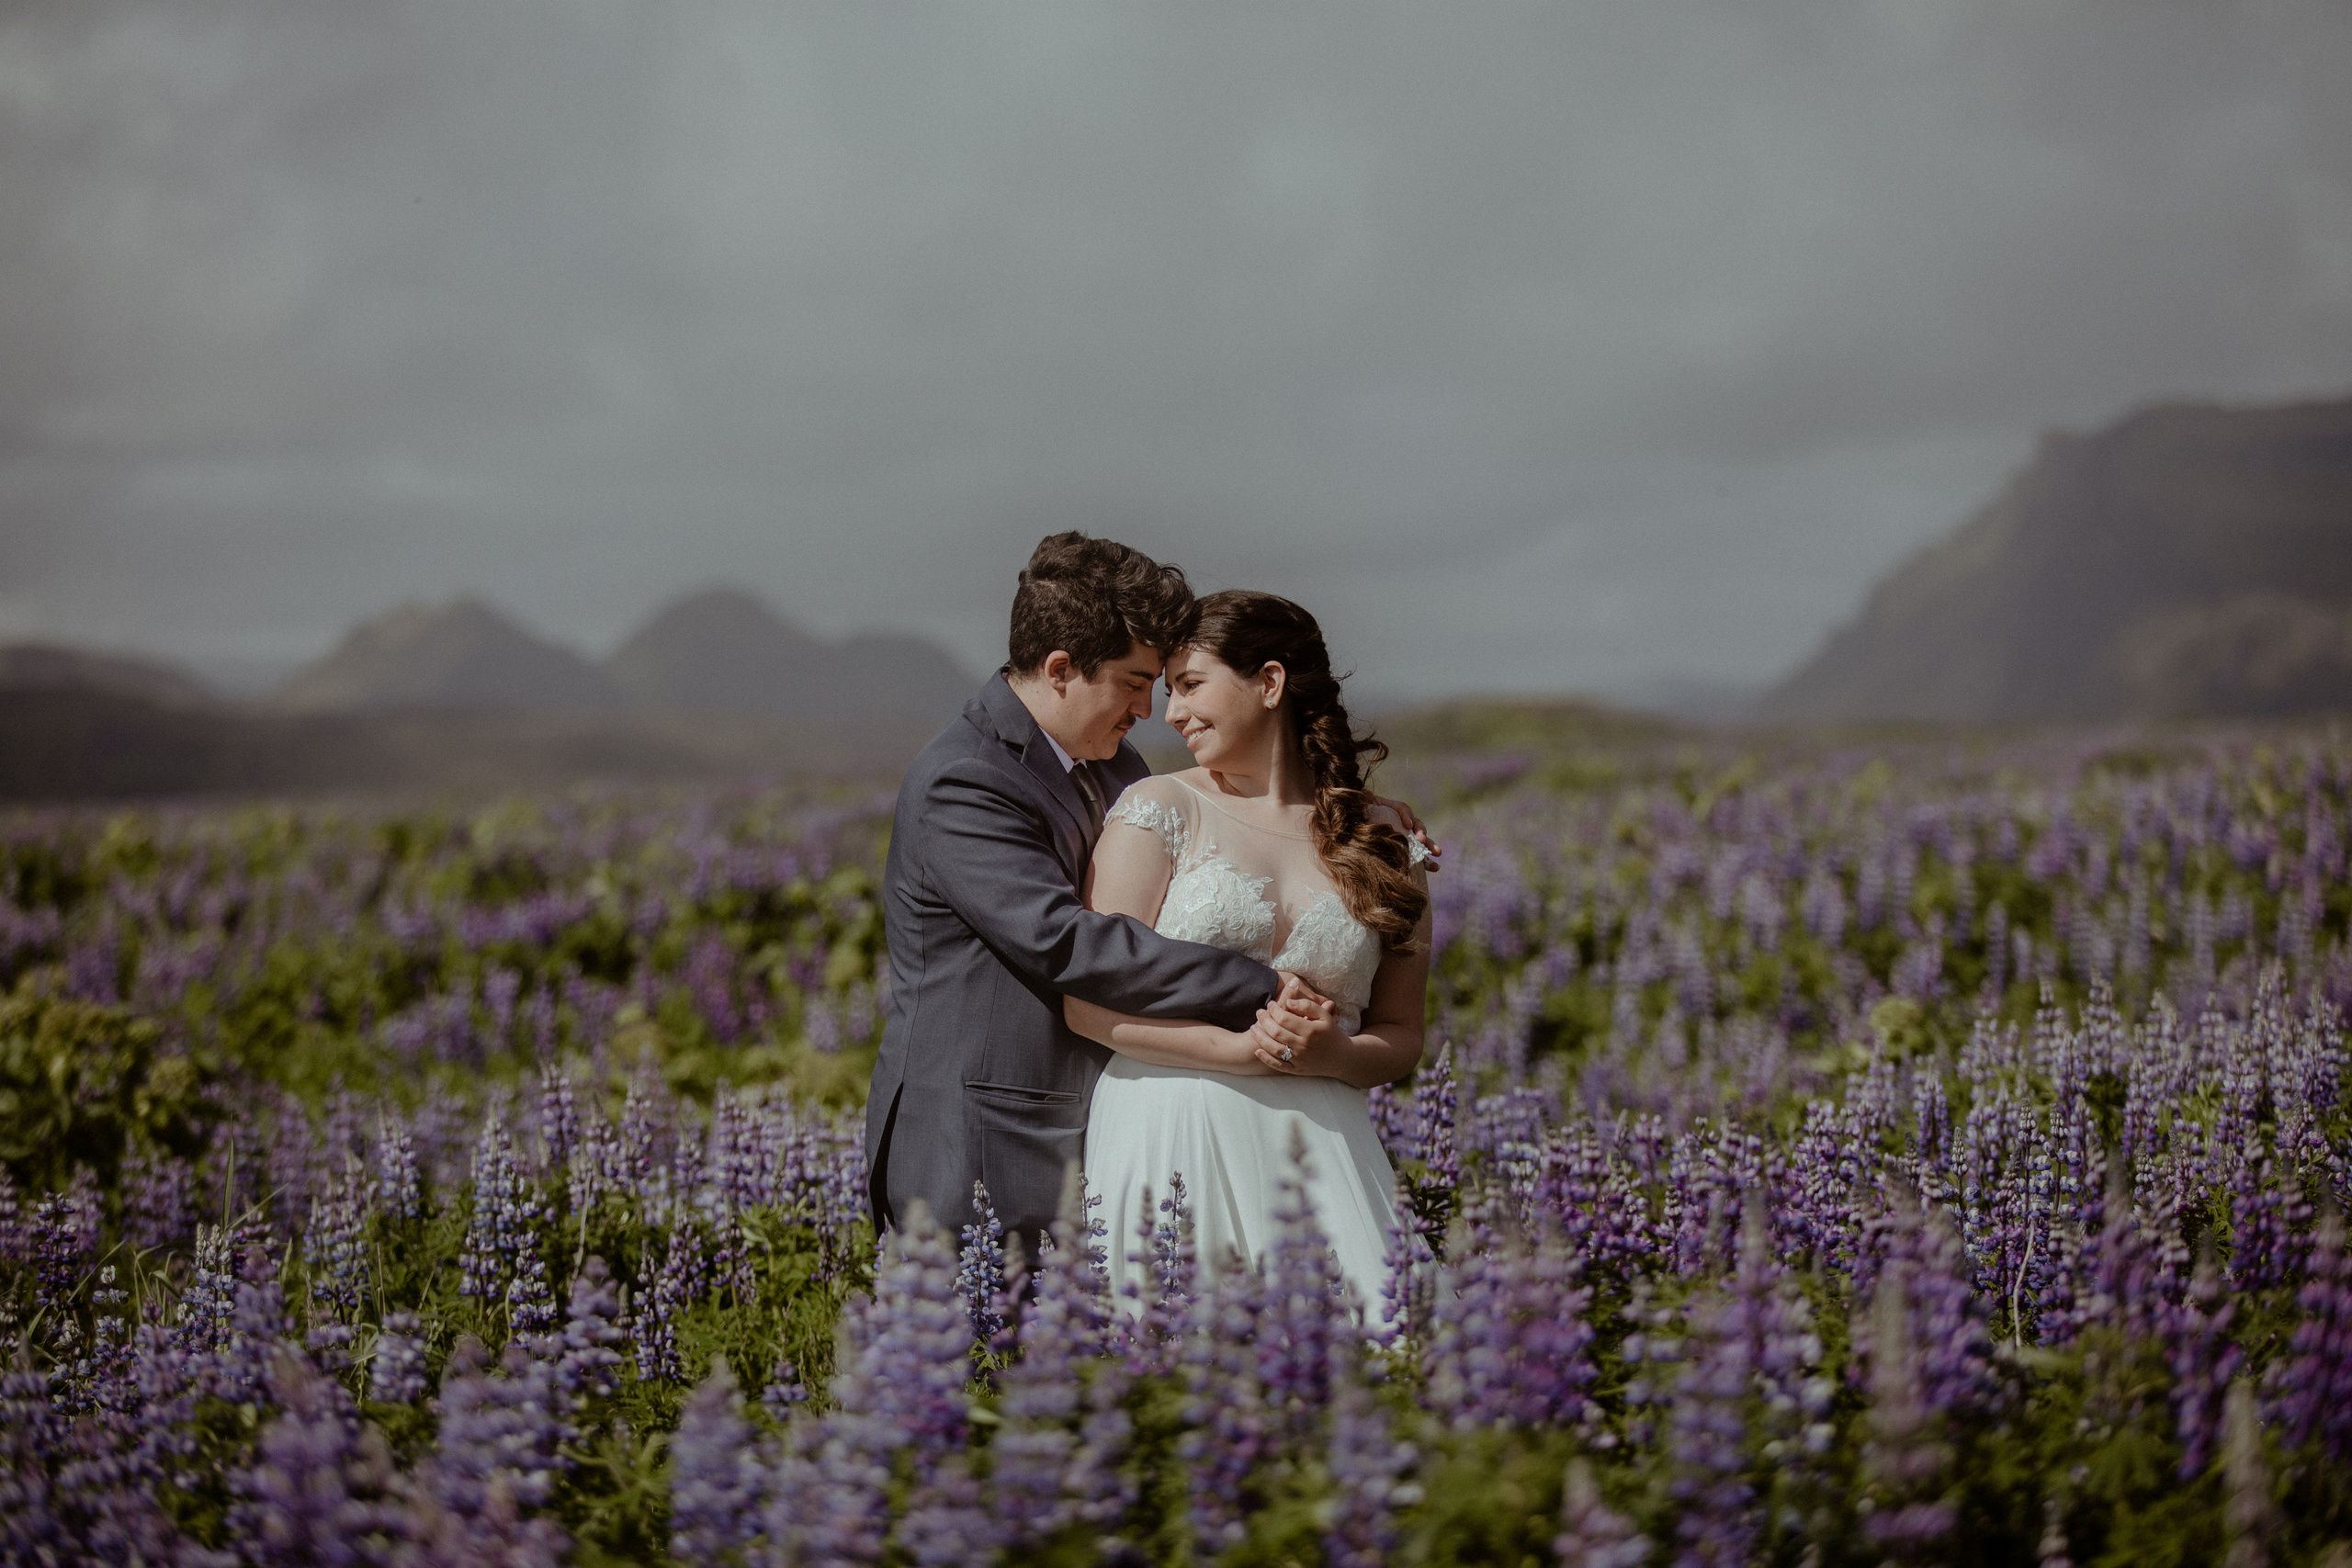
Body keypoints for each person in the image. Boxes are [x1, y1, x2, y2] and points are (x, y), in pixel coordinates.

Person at [865, 534, 1439, 1259]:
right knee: (982, 1367)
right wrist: (1261, 987)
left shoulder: (1113, 765)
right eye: (1138, 682)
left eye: (1169, 685)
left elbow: (1249, 812)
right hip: (980, 1136)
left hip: (1125, 1133)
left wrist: (1365, 818)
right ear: (1062, 669)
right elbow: (1067, 941)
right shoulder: (966, 778)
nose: (1151, 709)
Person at [1069, 590, 1431, 1312]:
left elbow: (1402, 1033)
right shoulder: (1157, 809)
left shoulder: (1385, 837)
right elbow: (1086, 1008)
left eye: (1192, 685)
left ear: (1269, 683)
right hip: (1170, 1123)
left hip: (1322, 1142)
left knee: (1374, 1362)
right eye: (1169, 691)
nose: (1171, 712)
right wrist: (1236, 1052)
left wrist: (1336, 1054)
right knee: (1174, 1362)